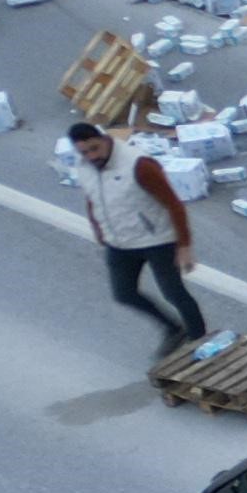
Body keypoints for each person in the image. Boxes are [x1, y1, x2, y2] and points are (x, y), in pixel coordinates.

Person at [69, 118, 207, 347]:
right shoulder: (85, 166)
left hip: (157, 241)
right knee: (123, 293)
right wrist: (98, 228)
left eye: (95, 148)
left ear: (104, 140)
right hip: (120, 244)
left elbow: (174, 204)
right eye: (84, 152)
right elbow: (93, 196)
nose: (92, 156)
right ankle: (173, 329)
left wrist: (184, 245)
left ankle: (201, 341)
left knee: (174, 293)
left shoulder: (139, 165)